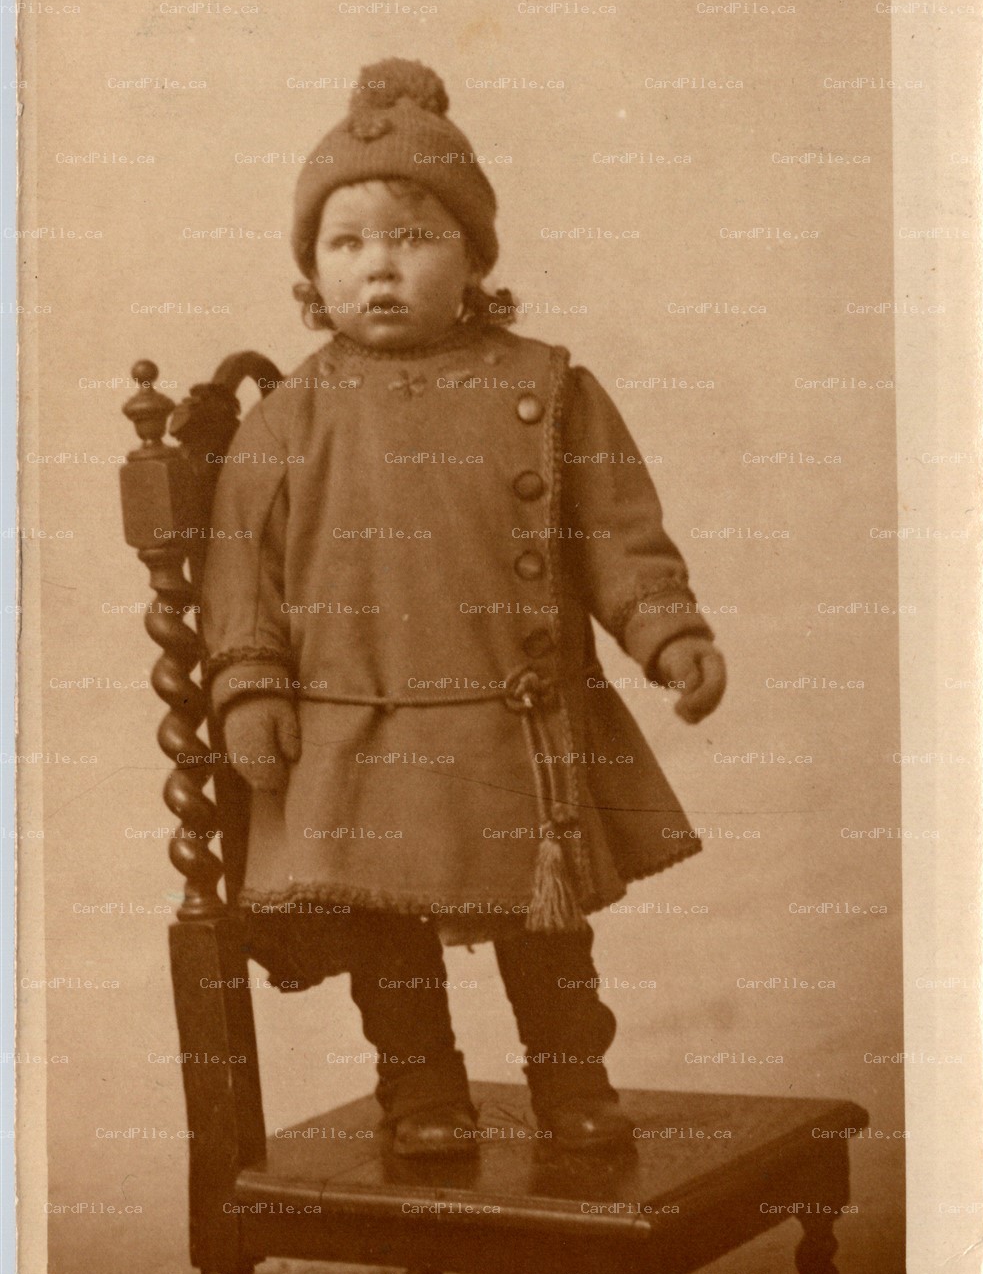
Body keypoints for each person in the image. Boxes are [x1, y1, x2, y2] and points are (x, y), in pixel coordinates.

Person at [202, 58, 726, 1159]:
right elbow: (239, 574)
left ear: (475, 258)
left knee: (548, 936)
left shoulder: (548, 388)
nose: (379, 268)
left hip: (511, 719)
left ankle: (573, 1082)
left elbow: (615, 537)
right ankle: (421, 1091)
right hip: (360, 727)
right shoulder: (288, 422)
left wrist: (667, 630)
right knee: (388, 938)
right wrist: (249, 687)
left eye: (413, 237)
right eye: (346, 245)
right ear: (311, 270)